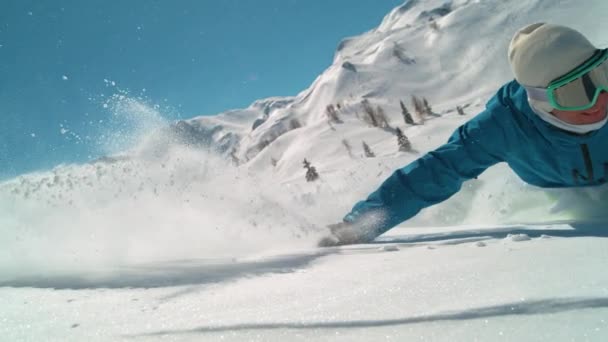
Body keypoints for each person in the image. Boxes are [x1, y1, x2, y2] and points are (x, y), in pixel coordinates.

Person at [319, 23, 608, 246]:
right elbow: (436, 171)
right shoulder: (505, 127)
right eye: (574, 92)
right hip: (559, 194)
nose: (599, 98)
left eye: (602, 74)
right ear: (540, 99)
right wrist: (361, 225)